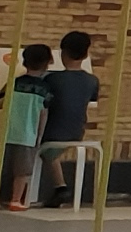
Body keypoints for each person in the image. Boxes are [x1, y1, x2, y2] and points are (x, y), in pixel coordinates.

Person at [36, 31, 100, 210]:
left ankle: (60, 187)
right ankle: (60, 188)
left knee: (45, 150)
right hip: (77, 130)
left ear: (62, 53)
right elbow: (91, 100)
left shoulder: (51, 78)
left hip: (53, 131)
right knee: (50, 151)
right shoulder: (92, 80)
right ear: (86, 55)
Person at [0, 45, 52, 210]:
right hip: (28, 135)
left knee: (0, 167)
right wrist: (39, 136)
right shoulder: (44, 89)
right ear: (47, 64)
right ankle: (15, 200)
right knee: (22, 171)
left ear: (24, 62)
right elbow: (44, 113)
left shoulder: (13, 83)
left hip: (7, 132)